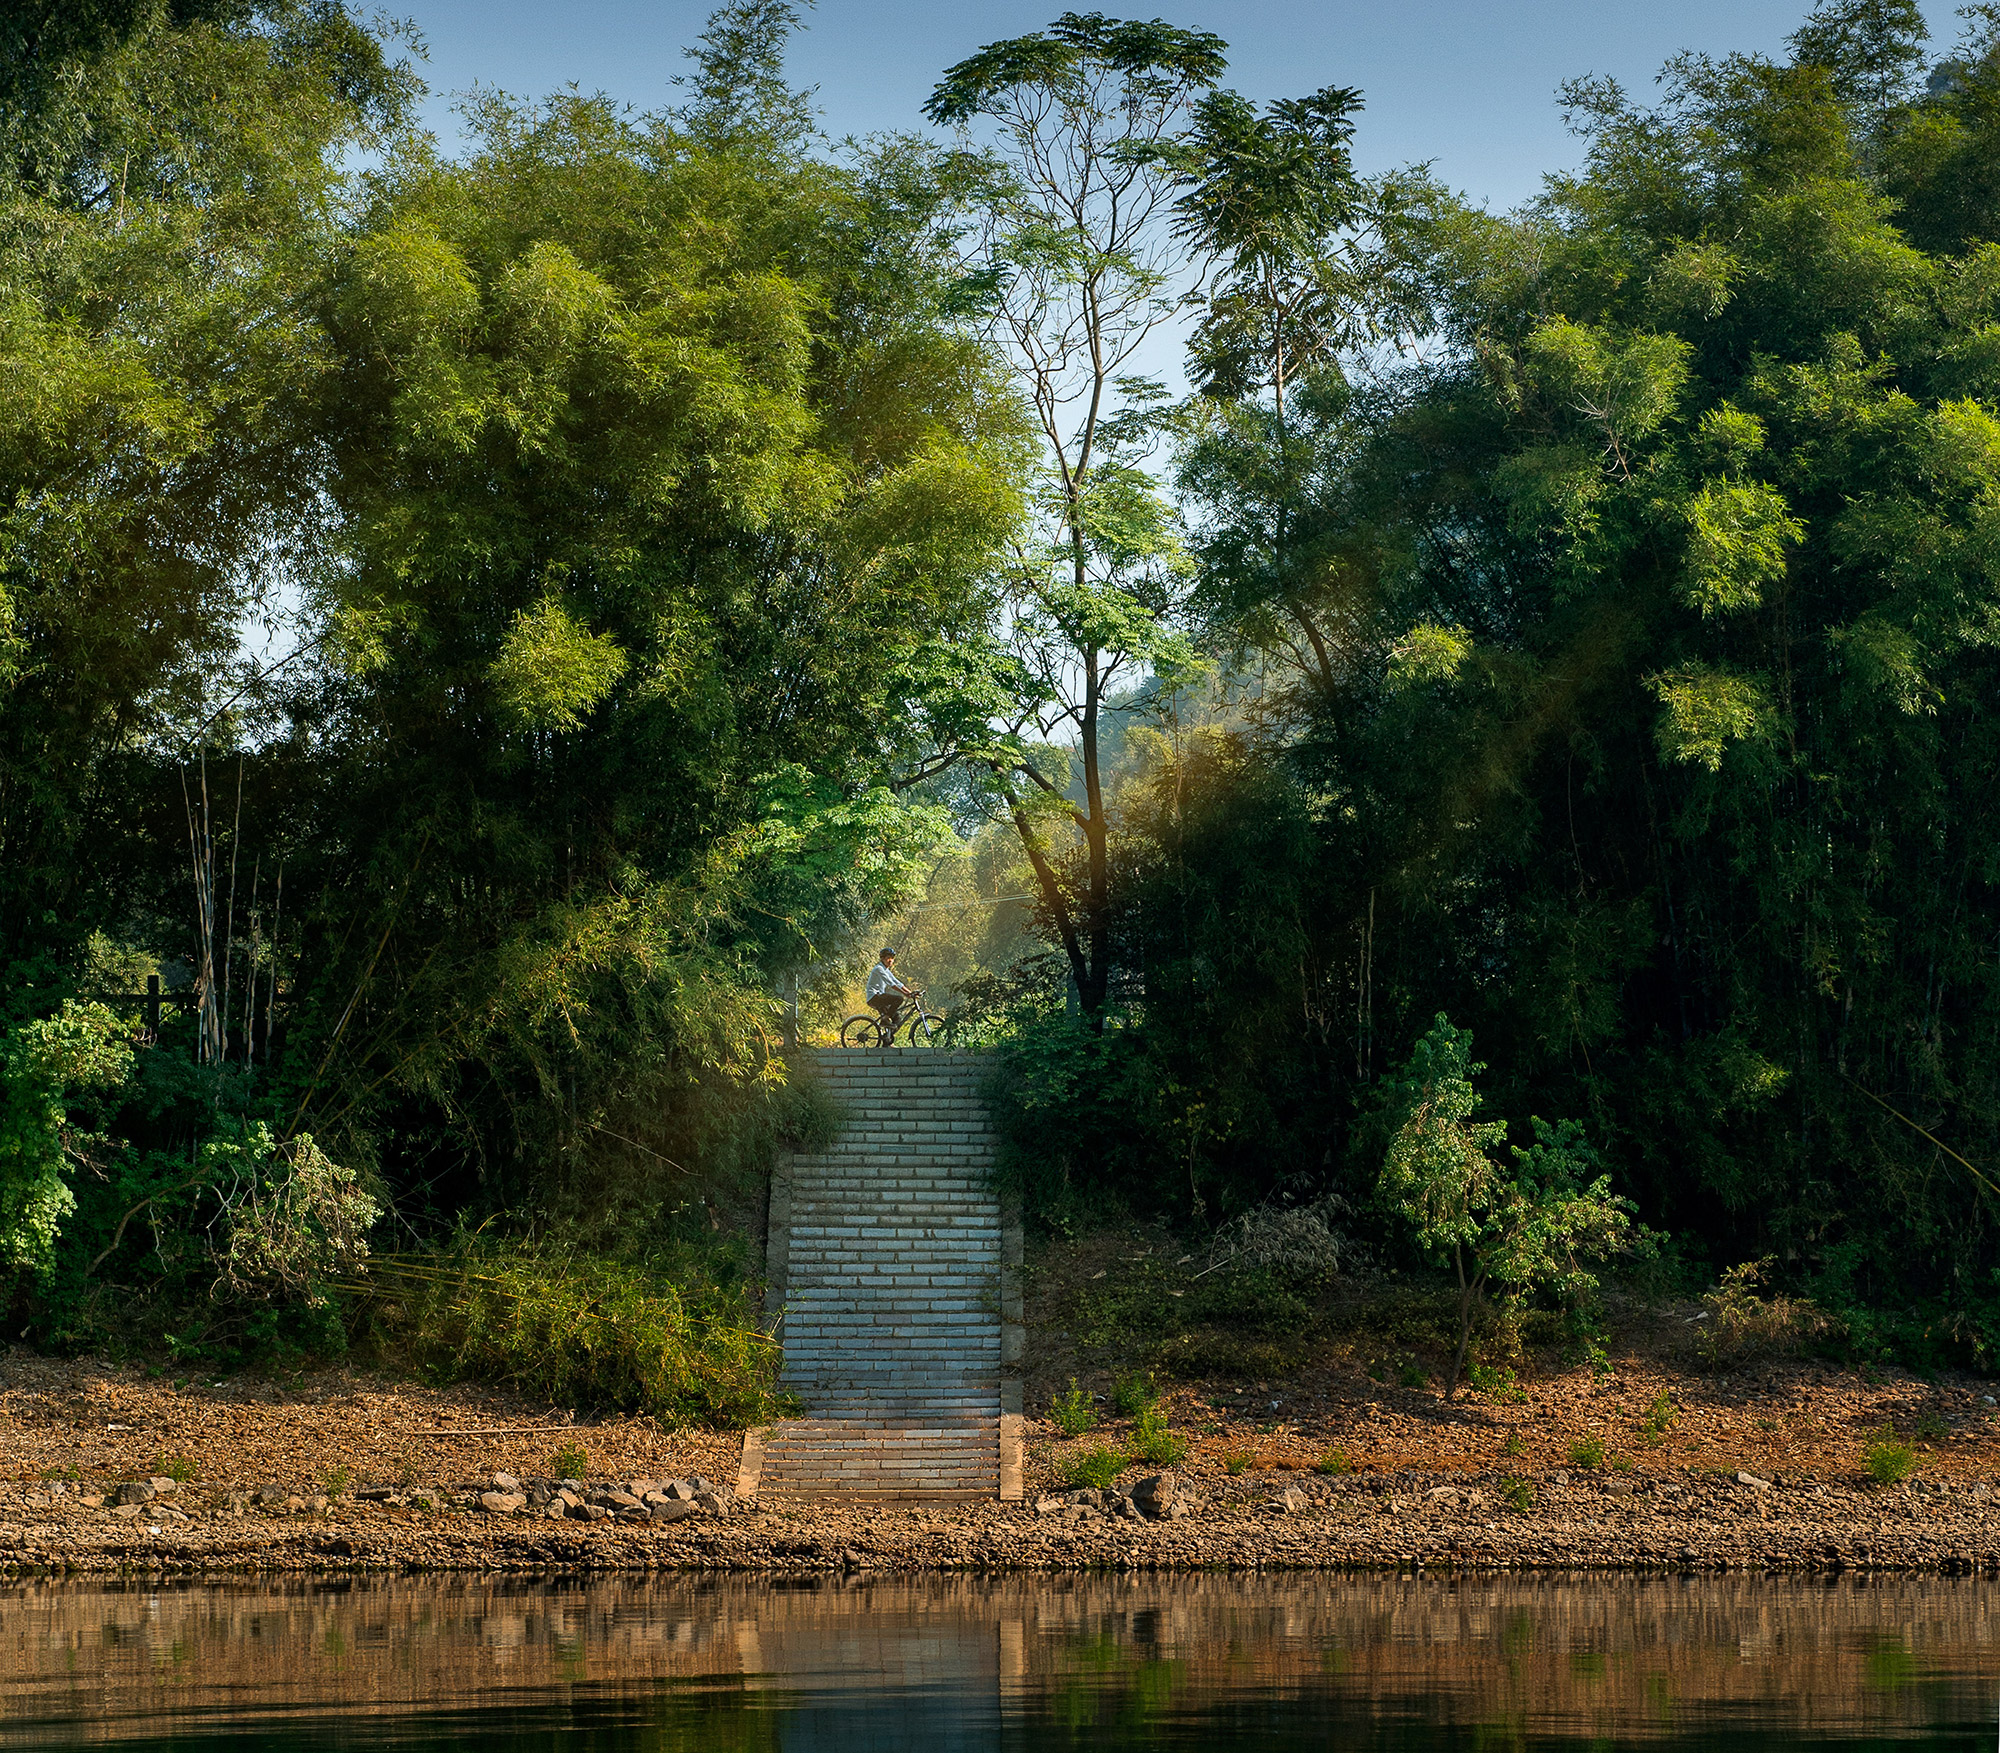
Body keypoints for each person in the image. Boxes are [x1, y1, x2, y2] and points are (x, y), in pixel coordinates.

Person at [865, 947, 915, 1036]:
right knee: (899, 999)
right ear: (882, 958)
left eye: (892, 958)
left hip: (880, 997)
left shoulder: (886, 970)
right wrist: (905, 994)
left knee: (897, 1019)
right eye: (888, 958)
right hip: (874, 997)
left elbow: (897, 982)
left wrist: (910, 992)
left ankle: (887, 1041)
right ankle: (885, 1019)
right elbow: (891, 984)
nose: (890, 960)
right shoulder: (879, 969)